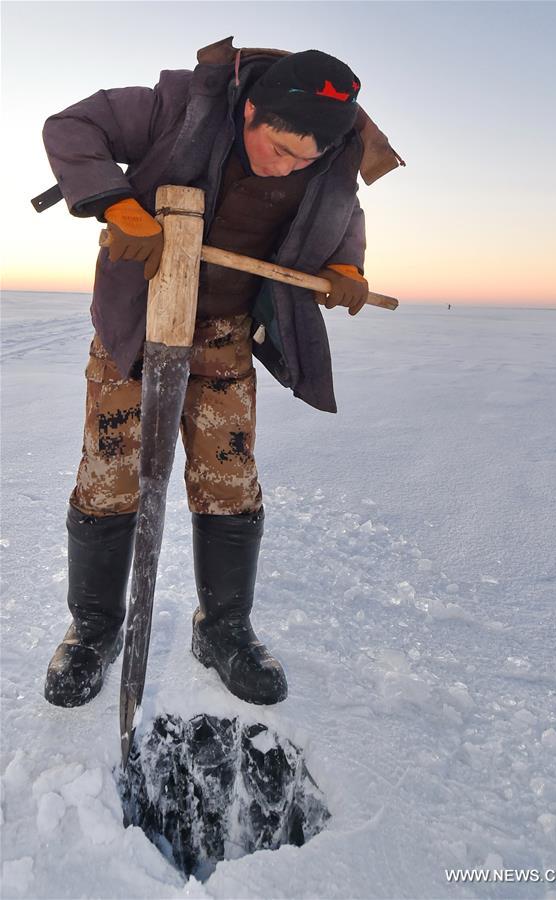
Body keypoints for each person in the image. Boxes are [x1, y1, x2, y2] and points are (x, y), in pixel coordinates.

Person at [35, 36, 402, 709]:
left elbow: (341, 211)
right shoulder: (177, 106)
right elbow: (70, 125)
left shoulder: (332, 157)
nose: (287, 166)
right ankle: (94, 630)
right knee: (110, 475)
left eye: (304, 158)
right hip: (136, 327)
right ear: (250, 111)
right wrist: (116, 202)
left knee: (227, 481)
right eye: (279, 148)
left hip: (225, 334)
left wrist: (345, 267)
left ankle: (224, 630)